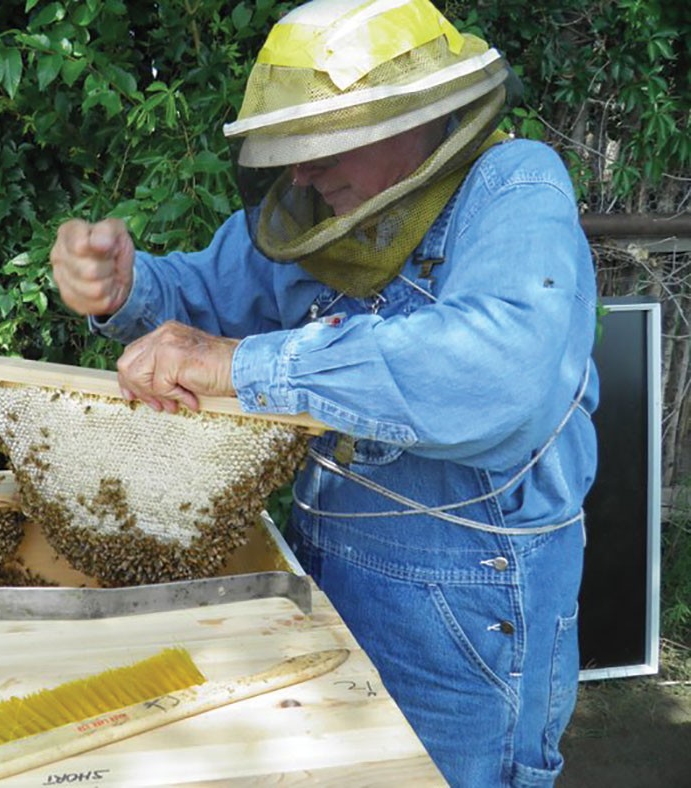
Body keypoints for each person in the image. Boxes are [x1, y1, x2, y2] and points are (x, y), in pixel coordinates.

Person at [50, 1, 598, 785]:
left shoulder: (513, 187)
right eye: (290, 148)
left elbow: (495, 371)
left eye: (324, 142)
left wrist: (242, 366)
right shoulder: (316, 218)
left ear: (420, 116)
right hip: (327, 580)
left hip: (471, 623)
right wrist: (125, 287)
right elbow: (204, 300)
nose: (302, 172)